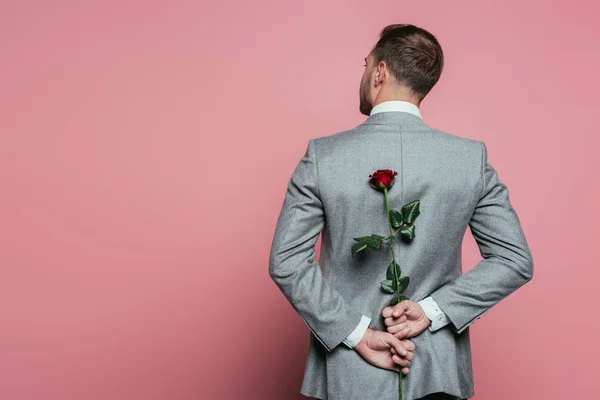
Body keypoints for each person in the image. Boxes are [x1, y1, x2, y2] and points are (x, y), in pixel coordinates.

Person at [269, 23, 534, 400]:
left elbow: (287, 262)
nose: (363, 74)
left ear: (379, 72)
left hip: (349, 376)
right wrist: (432, 310)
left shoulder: (323, 157)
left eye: (365, 66)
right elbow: (513, 259)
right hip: (436, 372)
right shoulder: (469, 159)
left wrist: (356, 333)